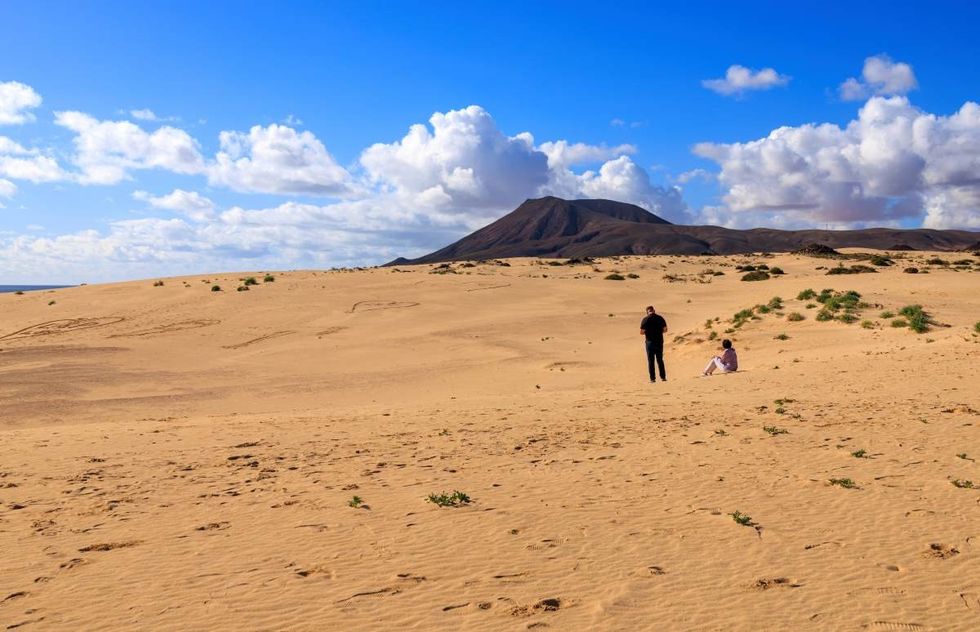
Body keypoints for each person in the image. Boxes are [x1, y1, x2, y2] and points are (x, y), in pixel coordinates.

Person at [640, 306, 668, 382]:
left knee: (651, 361)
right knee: (660, 360)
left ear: (647, 312)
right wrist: (658, 332)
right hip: (659, 341)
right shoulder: (660, 318)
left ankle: (652, 379)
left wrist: (648, 332)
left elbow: (641, 332)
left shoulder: (645, 319)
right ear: (654, 311)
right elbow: (665, 330)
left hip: (649, 342)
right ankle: (663, 377)